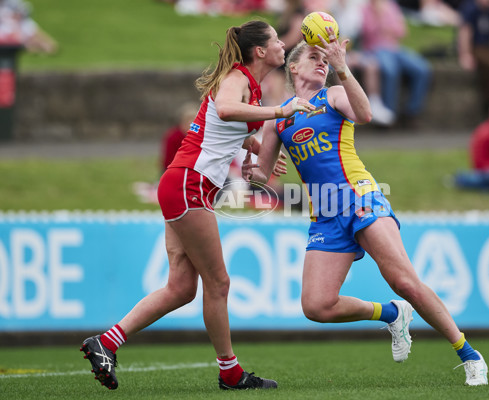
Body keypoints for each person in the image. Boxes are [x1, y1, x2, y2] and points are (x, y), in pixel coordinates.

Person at [79, 20, 314, 391]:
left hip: (183, 184)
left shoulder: (249, 89)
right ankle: (231, 373)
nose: (283, 45)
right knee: (218, 283)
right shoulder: (237, 80)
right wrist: (279, 112)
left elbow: (215, 130)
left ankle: (105, 342)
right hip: (189, 185)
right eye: (276, 40)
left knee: (181, 288)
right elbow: (223, 109)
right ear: (259, 51)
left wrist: (251, 151)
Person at [245, 31, 488, 386]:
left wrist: (343, 67)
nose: (322, 61)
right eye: (314, 57)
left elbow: (366, 113)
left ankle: (468, 353)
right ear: (293, 66)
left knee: (404, 280)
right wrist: (248, 160)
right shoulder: (279, 117)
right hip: (325, 213)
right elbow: (261, 179)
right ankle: (390, 314)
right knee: (316, 306)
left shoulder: (335, 94)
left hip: (360, 197)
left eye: (325, 58)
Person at [361, 0, 431, 127]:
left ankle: (412, 111)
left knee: (422, 69)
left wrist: (388, 28)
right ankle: (389, 114)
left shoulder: (392, 6)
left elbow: (402, 31)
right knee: (390, 70)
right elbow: (368, 32)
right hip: (376, 49)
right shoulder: (365, 8)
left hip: (395, 49)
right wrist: (379, 16)